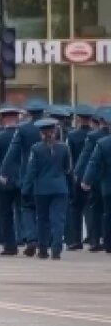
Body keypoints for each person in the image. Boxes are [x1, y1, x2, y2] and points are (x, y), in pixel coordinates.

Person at [0, 97, 48, 256]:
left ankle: (31, 237)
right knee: (44, 210)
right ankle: (44, 242)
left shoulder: (23, 129)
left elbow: (13, 152)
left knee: (27, 207)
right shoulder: (52, 128)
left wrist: (4, 171)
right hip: (47, 173)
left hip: (27, 172)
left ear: (28, 113)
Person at [23, 117, 72, 260]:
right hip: (60, 188)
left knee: (42, 219)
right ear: (55, 131)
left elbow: (31, 171)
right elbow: (68, 169)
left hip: (41, 189)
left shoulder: (36, 148)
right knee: (58, 219)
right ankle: (56, 248)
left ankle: (43, 249)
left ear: (41, 133)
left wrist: (26, 189)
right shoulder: (64, 147)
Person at [0, 105, 23, 255]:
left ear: (3, 120)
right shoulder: (24, 134)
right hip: (22, 177)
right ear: (17, 118)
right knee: (25, 211)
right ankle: (28, 238)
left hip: (4, 180)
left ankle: (10, 245)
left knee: (6, 214)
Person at [79, 109, 111, 254]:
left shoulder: (102, 143)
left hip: (106, 184)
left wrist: (86, 180)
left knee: (106, 213)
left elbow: (93, 162)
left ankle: (107, 242)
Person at [65, 104, 95, 250]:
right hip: (94, 176)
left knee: (75, 208)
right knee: (91, 207)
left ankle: (76, 239)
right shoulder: (96, 135)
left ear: (78, 118)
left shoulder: (72, 135)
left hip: (77, 175)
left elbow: (69, 158)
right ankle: (92, 237)